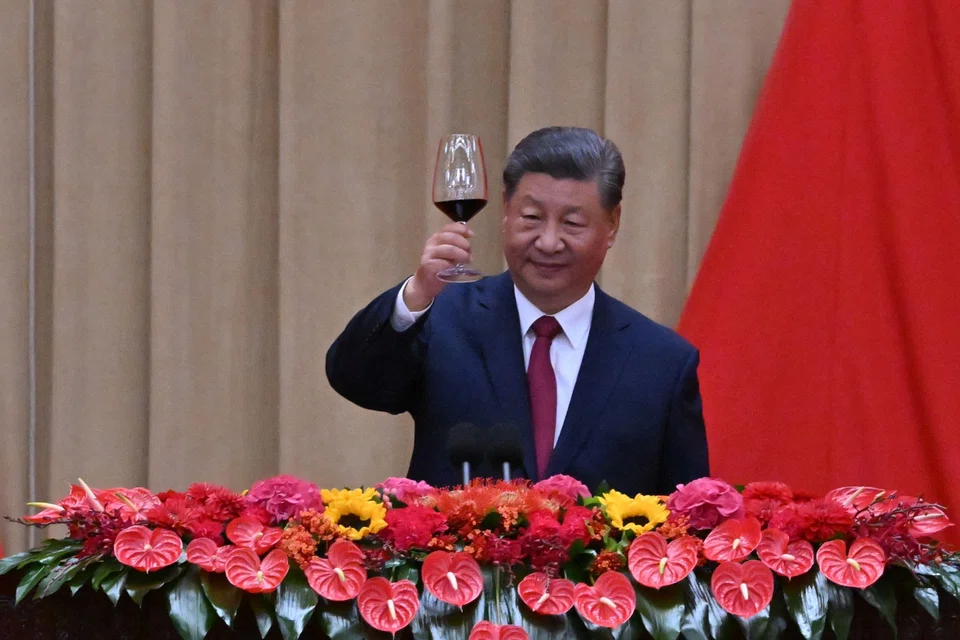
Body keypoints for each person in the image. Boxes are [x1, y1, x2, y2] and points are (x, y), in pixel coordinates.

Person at [326, 126, 709, 495]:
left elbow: (689, 521)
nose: (548, 242)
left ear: (612, 225)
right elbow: (355, 380)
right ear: (506, 211)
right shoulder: (443, 319)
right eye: (532, 218)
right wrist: (417, 294)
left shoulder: (662, 364)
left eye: (572, 223)